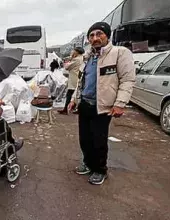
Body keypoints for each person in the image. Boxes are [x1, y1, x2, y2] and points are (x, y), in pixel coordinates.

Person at [68, 22, 135, 185]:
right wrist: (74, 99)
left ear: (107, 35)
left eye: (99, 34)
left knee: (99, 140)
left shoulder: (119, 53)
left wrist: (120, 103)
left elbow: (127, 79)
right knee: (85, 139)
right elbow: (81, 82)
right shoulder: (88, 57)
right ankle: (88, 163)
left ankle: (100, 170)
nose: (95, 38)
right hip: (85, 104)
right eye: (91, 35)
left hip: (103, 106)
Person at [58, 47, 85, 115]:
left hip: (73, 78)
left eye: (74, 51)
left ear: (77, 52)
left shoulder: (76, 59)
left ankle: (66, 109)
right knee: (75, 94)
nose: (72, 52)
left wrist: (69, 60)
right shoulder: (81, 58)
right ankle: (74, 108)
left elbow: (67, 67)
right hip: (76, 77)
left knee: (70, 94)